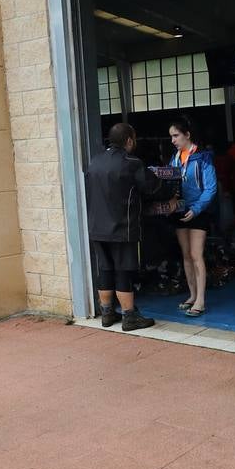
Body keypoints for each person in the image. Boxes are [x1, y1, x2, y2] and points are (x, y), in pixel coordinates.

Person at [84, 122, 161, 332]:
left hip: (97, 228)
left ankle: (107, 313)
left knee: (105, 268)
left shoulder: (95, 161)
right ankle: (129, 316)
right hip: (122, 227)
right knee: (123, 270)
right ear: (129, 140)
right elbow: (151, 187)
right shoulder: (131, 162)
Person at [169, 117, 217, 316]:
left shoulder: (203, 157)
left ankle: (201, 300)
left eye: (176, 135)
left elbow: (211, 189)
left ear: (187, 135)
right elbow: (170, 184)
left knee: (196, 255)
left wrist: (197, 209)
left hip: (198, 212)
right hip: (180, 211)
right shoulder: (174, 158)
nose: (173, 140)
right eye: (171, 136)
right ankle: (192, 294)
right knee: (186, 255)